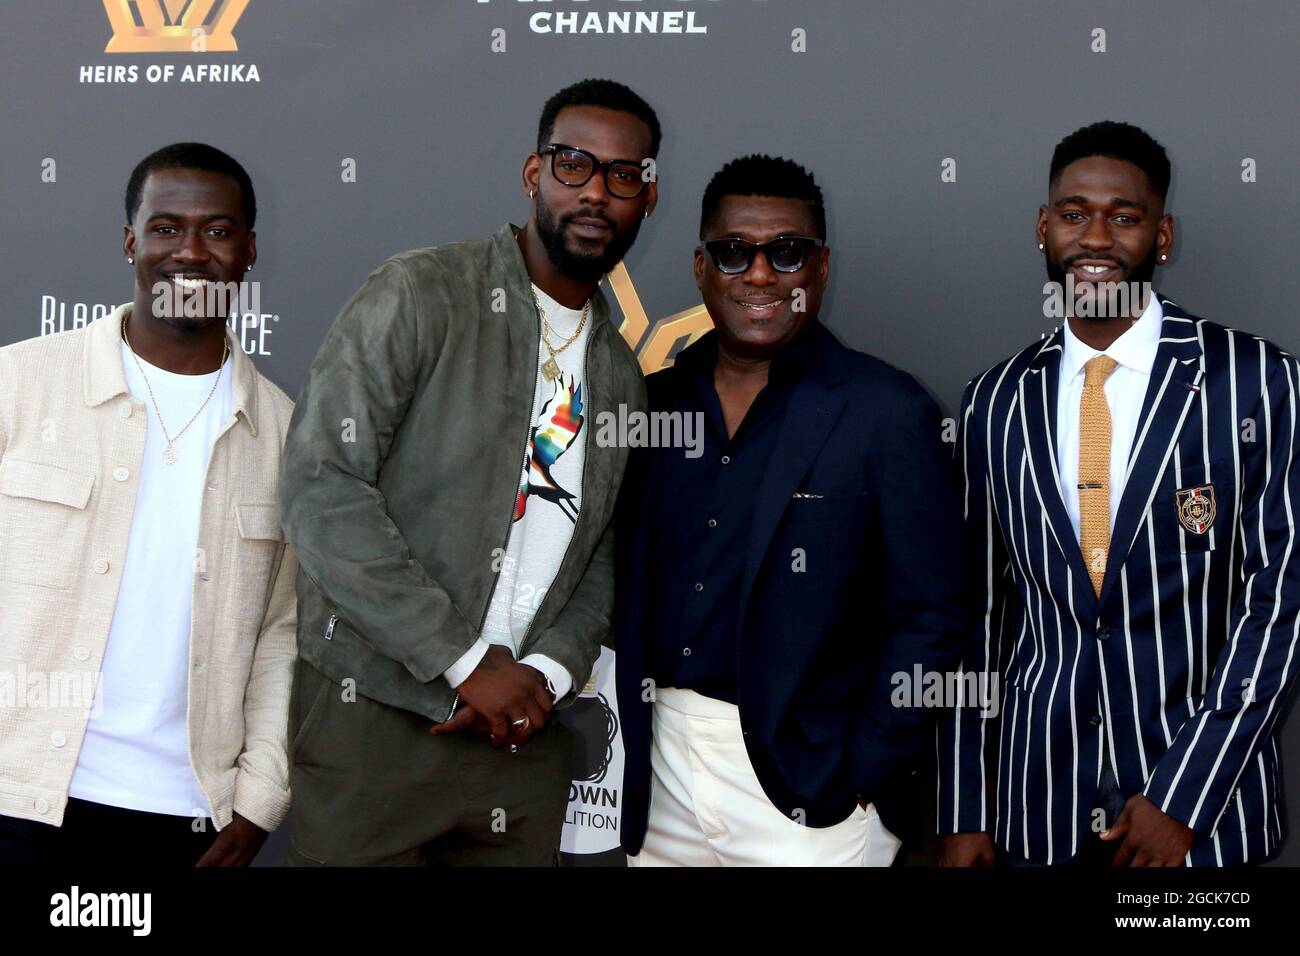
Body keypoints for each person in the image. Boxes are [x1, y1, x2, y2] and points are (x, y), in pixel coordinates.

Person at [278, 78, 655, 866]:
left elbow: (602, 557)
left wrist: (544, 676)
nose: (596, 192)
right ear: (533, 173)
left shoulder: (621, 372)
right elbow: (323, 488)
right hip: (375, 718)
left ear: (646, 201)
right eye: (574, 164)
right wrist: (462, 661)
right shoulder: (420, 292)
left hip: (523, 744)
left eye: (624, 176)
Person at [938, 121, 1300, 867]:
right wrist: (967, 806)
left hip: (1201, 821)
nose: (1095, 237)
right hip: (1034, 813)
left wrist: (1186, 797)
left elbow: (1280, 602)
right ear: (1045, 227)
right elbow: (971, 618)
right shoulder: (994, 400)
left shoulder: (1256, 381)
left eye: (1124, 217)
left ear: (1161, 236)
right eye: (1073, 214)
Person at [616, 155, 966, 866]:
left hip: (811, 788)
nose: (761, 275)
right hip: (654, 777)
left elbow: (932, 614)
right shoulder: (650, 401)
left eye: (787, 252)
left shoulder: (887, 411)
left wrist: (864, 769)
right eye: (735, 252)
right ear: (700, 267)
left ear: (822, 269)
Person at [0, 142, 297, 866]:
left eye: (218, 231)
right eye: (166, 228)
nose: (189, 252)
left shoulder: (291, 437)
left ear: (250, 250)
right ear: (130, 240)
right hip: (18, 792)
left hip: (187, 819)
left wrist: (261, 800)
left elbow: (286, 637)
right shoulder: (19, 386)